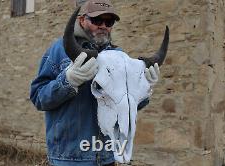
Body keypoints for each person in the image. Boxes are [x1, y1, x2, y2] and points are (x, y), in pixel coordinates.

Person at [30, 0, 160, 165]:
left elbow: (126, 105)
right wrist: (67, 81)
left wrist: (143, 89)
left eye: (109, 22)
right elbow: (38, 97)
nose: (103, 26)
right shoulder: (59, 50)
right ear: (82, 20)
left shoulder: (119, 56)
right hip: (68, 159)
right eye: (97, 20)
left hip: (107, 158)